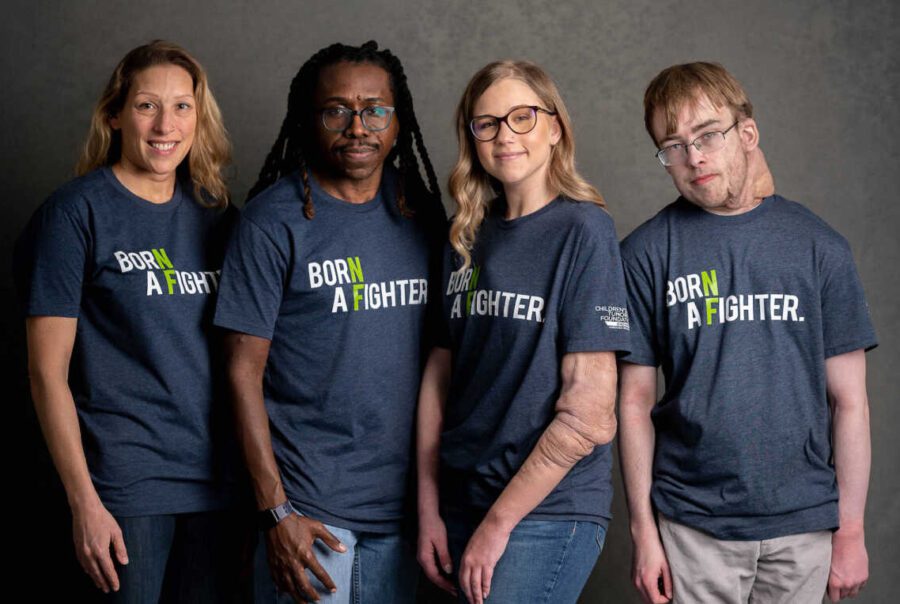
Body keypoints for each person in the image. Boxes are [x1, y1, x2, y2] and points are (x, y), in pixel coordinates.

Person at [619, 61, 877, 604]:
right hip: (691, 524)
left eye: (708, 135)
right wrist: (645, 532)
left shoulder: (818, 248)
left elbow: (849, 402)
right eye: (674, 145)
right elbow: (634, 402)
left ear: (747, 133)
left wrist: (850, 530)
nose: (694, 157)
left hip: (804, 523)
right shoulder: (645, 254)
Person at [14, 40, 249, 602]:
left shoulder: (218, 214)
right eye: (147, 105)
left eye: (182, 106)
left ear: (199, 117)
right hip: (125, 486)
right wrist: (85, 502)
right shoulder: (75, 214)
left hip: (219, 485)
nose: (165, 123)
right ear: (114, 114)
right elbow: (47, 375)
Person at [213, 41, 446, 603]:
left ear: (398, 121)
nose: (357, 127)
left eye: (375, 110)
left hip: (406, 514)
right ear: (310, 119)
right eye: (336, 110)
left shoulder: (422, 214)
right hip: (310, 510)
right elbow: (241, 374)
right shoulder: (274, 221)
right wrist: (276, 511)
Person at [416, 60, 630, 604]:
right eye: (486, 123)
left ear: (555, 127)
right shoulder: (464, 234)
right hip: (460, 502)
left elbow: (590, 415)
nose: (504, 135)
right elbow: (440, 379)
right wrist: (428, 509)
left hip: (546, 510)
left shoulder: (584, 230)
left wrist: (498, 525)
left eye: (522, 117)